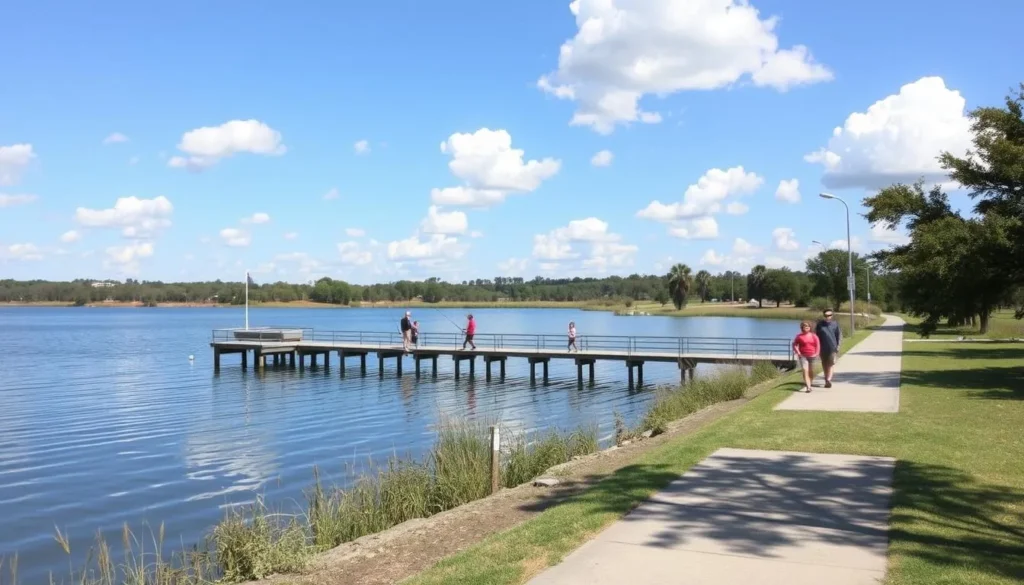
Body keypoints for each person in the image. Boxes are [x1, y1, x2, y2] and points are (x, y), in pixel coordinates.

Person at [815, 309, 842, 388]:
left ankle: (828, 380)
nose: (828, 317)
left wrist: (838, 347)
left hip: (832, 348)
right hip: (822, 348)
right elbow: (816, 336)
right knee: (824, 364)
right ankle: (826, 378)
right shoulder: (820, 325)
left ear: (832, 315)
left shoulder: (835, 324)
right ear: (824, 316)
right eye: (826, 315)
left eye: (829, 315)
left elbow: (839, 336)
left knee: (830, 364)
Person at [792, 320, 820, 393]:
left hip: (812, 356)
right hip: (803, 356)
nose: (806, 327)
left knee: (811, 371)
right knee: (805, 370)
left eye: (807, 326)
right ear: (802, 327)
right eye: (804, 326)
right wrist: (798, 352)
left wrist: (816, 353)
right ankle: (808, 387)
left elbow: (818, 345)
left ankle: (810, 383)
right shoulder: (799, 336)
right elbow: (794, 344)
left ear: (810, 327)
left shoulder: (814, 336)